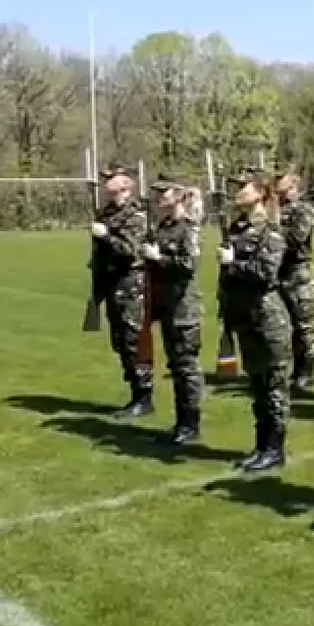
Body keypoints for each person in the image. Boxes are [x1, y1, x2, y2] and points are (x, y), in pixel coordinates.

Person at [219, 171, 292, 473]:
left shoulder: (269, 230)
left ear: (260, 192)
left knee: (273, 385)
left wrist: (232, 264)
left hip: (267, 316)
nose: (237, 192)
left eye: (243, 187)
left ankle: (274, 448)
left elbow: (266, 273)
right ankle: (261, 445)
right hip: (244, 315)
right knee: (257, 383)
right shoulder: (238, 228)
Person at [142, 179, 205, 444]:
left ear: (178, 196)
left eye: (163, 192)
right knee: (176, 364)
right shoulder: (164, 226)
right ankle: (181, 422)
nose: (158, 197)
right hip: (166, 303)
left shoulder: (188, 228)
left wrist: (158, 258)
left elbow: (188, 265)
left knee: (185, 367)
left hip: (183, 306)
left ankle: (190, 424)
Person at [89, 163, 154, 418]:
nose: (106, 182)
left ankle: (144, 396)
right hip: (112, 283)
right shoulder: (106, 212)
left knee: (133, 341)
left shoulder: (135, 214)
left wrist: (105, 237)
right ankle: (135, 392)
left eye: (112, 178)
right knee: (120, 341)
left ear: (126, 184)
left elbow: (132, 251)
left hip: (131, 284)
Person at [276, 165, 314, 391]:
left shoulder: (304, 210)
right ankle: (285, 370)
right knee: (281, 325)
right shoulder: (273, 208)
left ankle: (305, 372)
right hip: (278, 272)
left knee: (303, 327)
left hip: (298, 273)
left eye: (280, 179)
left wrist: (272, 233)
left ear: (293, 183)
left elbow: (295, 238)